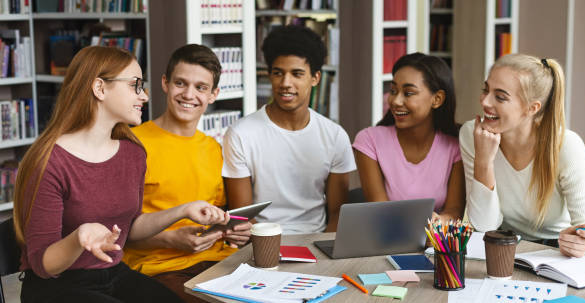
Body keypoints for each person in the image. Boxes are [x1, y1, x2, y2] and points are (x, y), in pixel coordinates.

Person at [13, 46, 230, 303]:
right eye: (135, 86)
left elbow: (131, 227)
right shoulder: (49, 161)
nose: (145, 96)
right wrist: (79, 238)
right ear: (100, 89)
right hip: (57, 287)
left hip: (114, 275)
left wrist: (183, 210)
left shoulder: (132, 152)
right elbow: (43, 265)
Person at [122, 44, 251, 302]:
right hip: (160, 269)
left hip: (220, 264)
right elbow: (119, 233)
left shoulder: (214, 149)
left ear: (213, 94)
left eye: (201, 87)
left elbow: (219, 215)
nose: (189, 94)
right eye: (181, 83)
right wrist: (171, 240)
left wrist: (236, 230)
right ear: (165, 83)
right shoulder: (132, 144)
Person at [460, 53, 585, 257]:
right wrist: (484, 160)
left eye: (500, 97)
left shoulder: (567, 145)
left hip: (559, 249)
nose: (485, 101)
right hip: (507, 243)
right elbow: (484, 225)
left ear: (532, 108)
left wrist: (583, 242)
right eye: (486, 90)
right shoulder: (472, 134)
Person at [222, 25, 356, 234]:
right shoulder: (240, 134)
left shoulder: (335, 135)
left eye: (297, 74)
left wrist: (323, 254)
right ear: (269, 75)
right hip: (260, 241)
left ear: (315, 78)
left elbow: (338, 213)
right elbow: (242, 214)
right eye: (278, 73)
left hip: (316, 242)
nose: (286, 83)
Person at [353, 53, 465, 222]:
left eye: (408, 93)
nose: (396, 101)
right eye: (393, 91)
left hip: (434, 243)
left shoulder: (455, 146)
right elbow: (380, 212)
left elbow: (454, 211)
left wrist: (441, 221)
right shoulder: (369, 141)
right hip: (388, 241)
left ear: (437, 99)